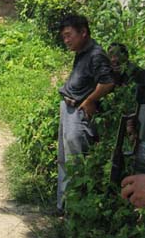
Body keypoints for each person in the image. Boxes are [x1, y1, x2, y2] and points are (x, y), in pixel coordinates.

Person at [56, 15, 114, 213]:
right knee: (64, 159)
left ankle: (74, 211)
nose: (66, 40)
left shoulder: (96, 54)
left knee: (75, 162)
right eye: (64, 37)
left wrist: (90, 101)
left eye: (69, 35)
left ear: (83, 32)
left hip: (78, 114)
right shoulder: (82, 51)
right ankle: (63, 206)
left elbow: (107, 82)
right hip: (68, 108)